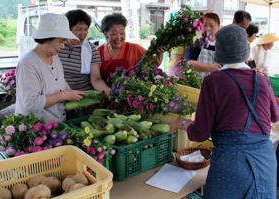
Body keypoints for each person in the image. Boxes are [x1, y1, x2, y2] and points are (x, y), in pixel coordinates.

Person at [171, 24, 279, 198]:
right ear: (245, 51)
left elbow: (199, 133)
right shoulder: (262, 80)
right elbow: (275, 116)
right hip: (264, 161)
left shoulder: (213, 81)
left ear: (219, 52)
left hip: (231, 163)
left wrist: (182, 123)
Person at [15, 13, 84, 122]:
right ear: (47, 38)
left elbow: (61, 83)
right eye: (60, 41)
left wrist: (72, 95)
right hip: (35, 129)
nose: (63, 45)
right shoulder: (28, 64)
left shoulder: (55, 57)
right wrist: (63, 95)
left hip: (56, 125)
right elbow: (31, 103)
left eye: (64, 41)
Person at [59, 9, 110, 96]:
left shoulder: (91, 50)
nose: (83, 33)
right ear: (68, 29)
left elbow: (96, 79)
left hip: (83, 98)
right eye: (79, 29)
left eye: (86, 29)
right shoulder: (57, 46)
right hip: (59, 96)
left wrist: (111, 93)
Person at [97, 13, 146, 82]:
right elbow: (96, 79)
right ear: (106, 34)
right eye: (114, 34)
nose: (118, 37)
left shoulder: (135, 48)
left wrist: (159, 54)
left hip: (130, 91)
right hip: (105, 92)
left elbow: (153, 63)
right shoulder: (98, 52)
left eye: (121, 33)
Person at [187, 13, 221, 77]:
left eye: (211, 26)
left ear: (218, 26)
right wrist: (209, 68)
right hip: (196, 84)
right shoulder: (196, 42)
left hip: (215, 84)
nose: (208, 28)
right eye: (205, 25)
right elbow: (189, 63)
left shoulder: (223, 46)